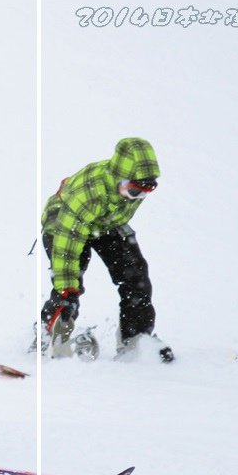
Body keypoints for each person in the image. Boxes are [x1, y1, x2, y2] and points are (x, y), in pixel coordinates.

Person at [39, 137, 173, 363]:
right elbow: (66, 244)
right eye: (133, 191)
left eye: (145, 191)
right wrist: (67, 288)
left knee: (135, 275)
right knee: (69, 285)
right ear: (121, 179)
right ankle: (50, 336)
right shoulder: (90, 193)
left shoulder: (134, 184)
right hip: (63, 226)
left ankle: (136, 340)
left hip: (104, 225)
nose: (138, 197)